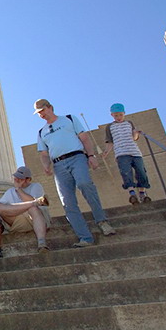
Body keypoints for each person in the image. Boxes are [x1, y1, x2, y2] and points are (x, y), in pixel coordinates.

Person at [34, 98, 117, 247]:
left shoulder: (69, 119)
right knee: (67, 201)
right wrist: (46, 166)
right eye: (38, 113)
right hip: (58, 165)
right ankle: (85, 237)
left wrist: (91, 156)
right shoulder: (42, 132)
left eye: (43, 111)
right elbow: (44, 154)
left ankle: (102, 222)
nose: (42, 115)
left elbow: (84, 138)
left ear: (50, 107)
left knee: (85, 184)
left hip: (77, 157)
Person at [104, 103, 152, 204]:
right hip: (121, 153)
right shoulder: (110, 127)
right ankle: (132, 193)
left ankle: (142, 194)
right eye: (116, 115)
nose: (118, 117)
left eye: (120, 115)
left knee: (141, 172)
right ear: (112, 115)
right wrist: (106, 152)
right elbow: (110, 141)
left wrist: (136, 133)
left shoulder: (129, 123)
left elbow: (134, 138)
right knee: (126, 172)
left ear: (124, 114)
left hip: (135, 152)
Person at [0, 167, 51, 252]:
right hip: (18, 222)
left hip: (35, 220)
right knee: (1, 209)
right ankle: (35, 203)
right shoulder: (10, 191)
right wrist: (30, 204)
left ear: (28, 179)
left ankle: (42, 243)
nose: (17, 180)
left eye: (20, 178)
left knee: (33, 209)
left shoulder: (36, 186)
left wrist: (19, 189)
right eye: (16, 177)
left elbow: (30, 199)